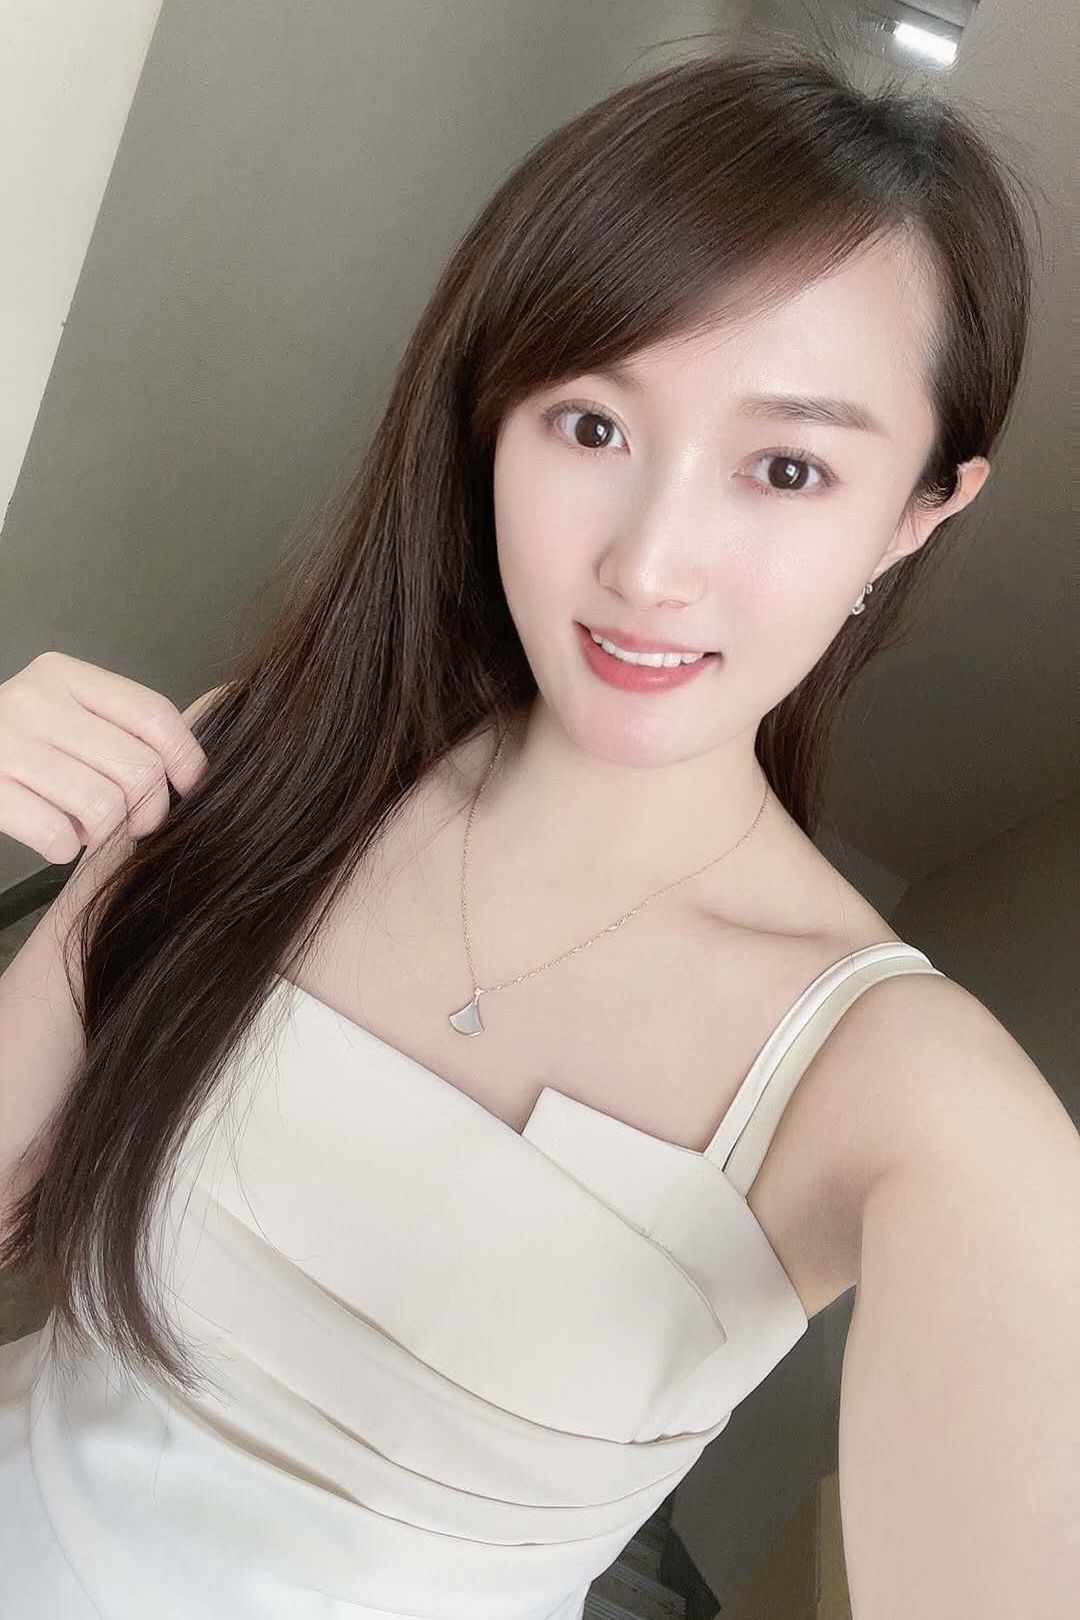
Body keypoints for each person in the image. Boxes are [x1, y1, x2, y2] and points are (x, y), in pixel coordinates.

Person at [1, 37, 1076, 1620]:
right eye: (589, 426)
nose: (650, 564)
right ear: (489, 419)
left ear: (917, 512)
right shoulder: (270, 752)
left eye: (787, 467)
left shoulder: (911, 1098)